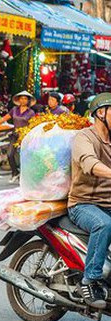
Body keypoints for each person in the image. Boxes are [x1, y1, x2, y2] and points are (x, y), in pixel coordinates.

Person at [68, 93, 111, 309]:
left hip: (108, 203)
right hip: (83, 203)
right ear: (101, 113)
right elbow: (89, 162)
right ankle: (90, 280)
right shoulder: (84, 137)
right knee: (104, 224)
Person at [0, 91, 36, 183]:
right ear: (18, 99)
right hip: (15, 135)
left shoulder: (31, 112)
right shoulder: (14, 109)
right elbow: (4, 118)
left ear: (28, 100)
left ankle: (24, 176)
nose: (23, 100)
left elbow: (33, 125)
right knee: (10, 154)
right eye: (21, 98)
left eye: (25, 98)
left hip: (25, 137)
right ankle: (15, 172)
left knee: (24, 156)